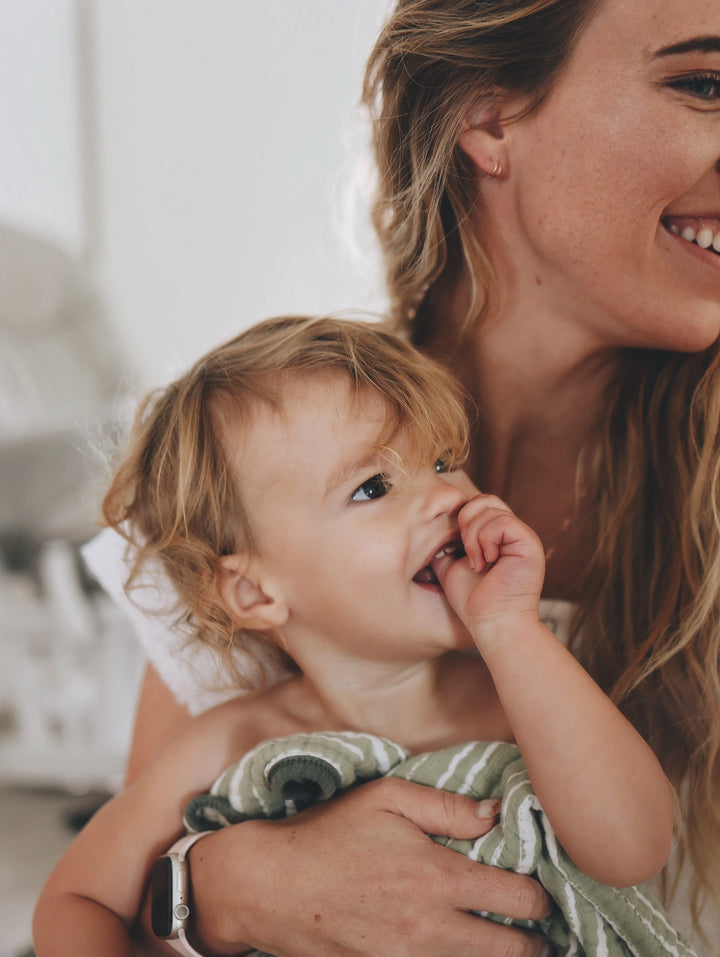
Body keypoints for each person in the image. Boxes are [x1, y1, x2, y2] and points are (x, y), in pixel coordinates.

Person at [78, 0, 720, 954]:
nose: (443, 498)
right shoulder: (242, 486)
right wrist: (220, 887)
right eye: (703, 84)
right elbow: (112, 904)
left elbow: (630, 844)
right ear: (490, 118)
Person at [34, 315, 680, 957]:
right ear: (257, 593)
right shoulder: (231, 739)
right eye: (373, 486)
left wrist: (510, 628)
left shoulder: (527, 691)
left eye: (444, 460)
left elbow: (632, 849)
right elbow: (79, 900)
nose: (442, 497)